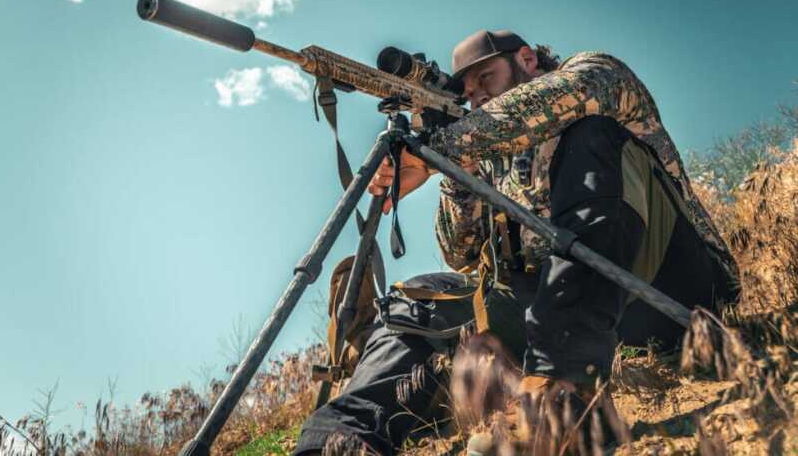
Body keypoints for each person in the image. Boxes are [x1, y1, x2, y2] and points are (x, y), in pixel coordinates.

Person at [293, 30, 738, 455]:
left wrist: (449, 145)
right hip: (571, 312)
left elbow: (562, 98)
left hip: (674, 293)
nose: (478, 97)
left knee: (592, 135)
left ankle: (562, 401)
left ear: (526, 60)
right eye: (468, 94)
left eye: (486, 79)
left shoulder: (596, 75)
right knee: (426, 294)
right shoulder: (489, 152)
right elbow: (461, 251)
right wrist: (447, 169)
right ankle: (344, 437)